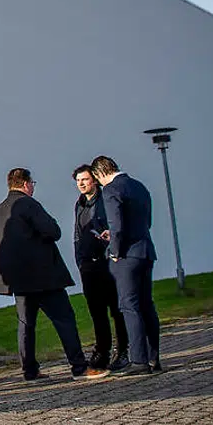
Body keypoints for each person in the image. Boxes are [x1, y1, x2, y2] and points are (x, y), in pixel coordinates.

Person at [0, 168, 108, 382]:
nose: (33, 186)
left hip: (17, 280)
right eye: (32, 182)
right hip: (43, 277)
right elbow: (53, 231)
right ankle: (79, 367)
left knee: (26, 324)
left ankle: (30, 370)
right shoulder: (29, 205)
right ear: (25, 184)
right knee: (64, 319)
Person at [91, 155, 162, 375]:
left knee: (129, 306)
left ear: (99, 174)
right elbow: (146, 221)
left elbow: (117, 225)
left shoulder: (111, 190)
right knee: (146, 305)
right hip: (145, 250)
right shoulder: (139, 186)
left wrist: (114, 250)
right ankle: (153, 358)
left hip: (126, 257)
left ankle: (139, 361)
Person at [71, 165, 129, 371]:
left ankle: (123, 350)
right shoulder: (79, 204)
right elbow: (77, 234)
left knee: (117, 309)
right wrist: (79, 260)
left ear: (94, 180)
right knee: (97, 312)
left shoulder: (105, 199)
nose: (81, 183)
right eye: (78, 180)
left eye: (85, 179)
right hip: (88, 266)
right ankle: (102, 351)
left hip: (108, 263)